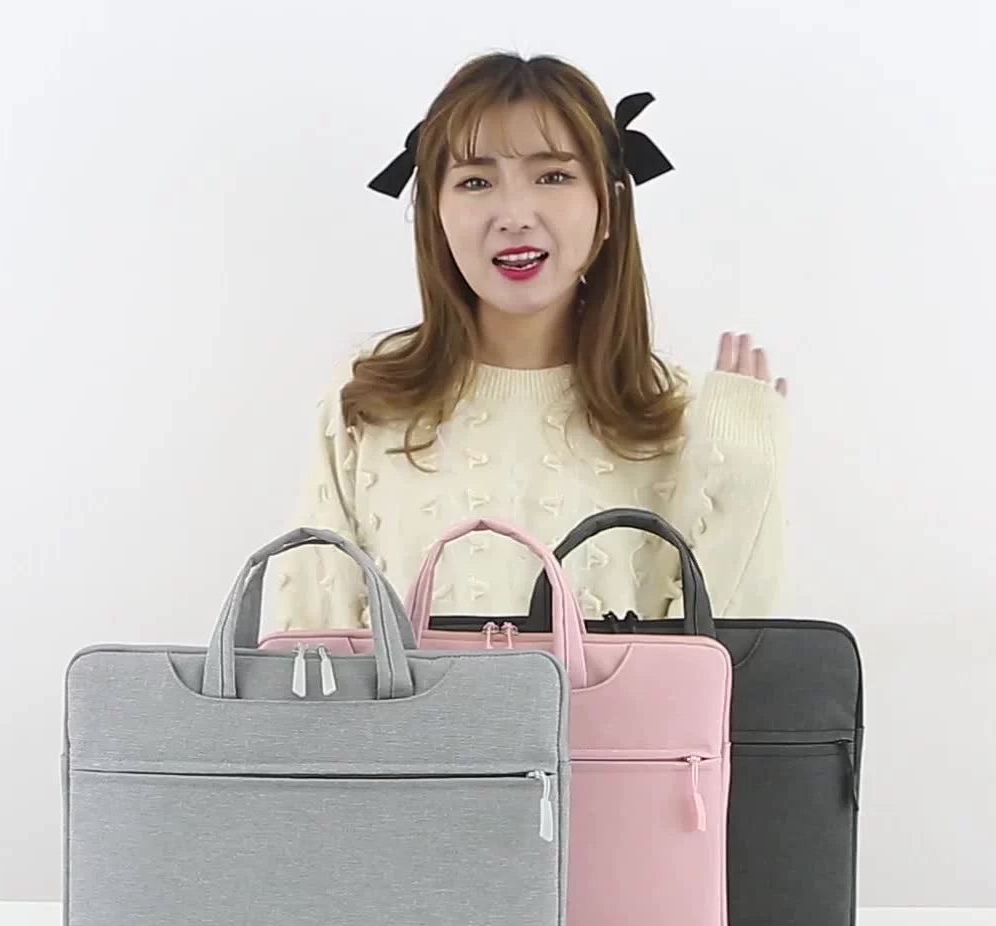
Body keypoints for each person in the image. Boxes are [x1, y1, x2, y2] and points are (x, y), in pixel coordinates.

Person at [265, 51, 788, 634]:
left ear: (609, 204)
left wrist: (745, 478)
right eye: (476, 181)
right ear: (435, 214)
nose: (514, 215)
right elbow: (305, 657)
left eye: (553, 176)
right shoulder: (368, 401)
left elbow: (717, 666)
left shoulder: (673, 413)